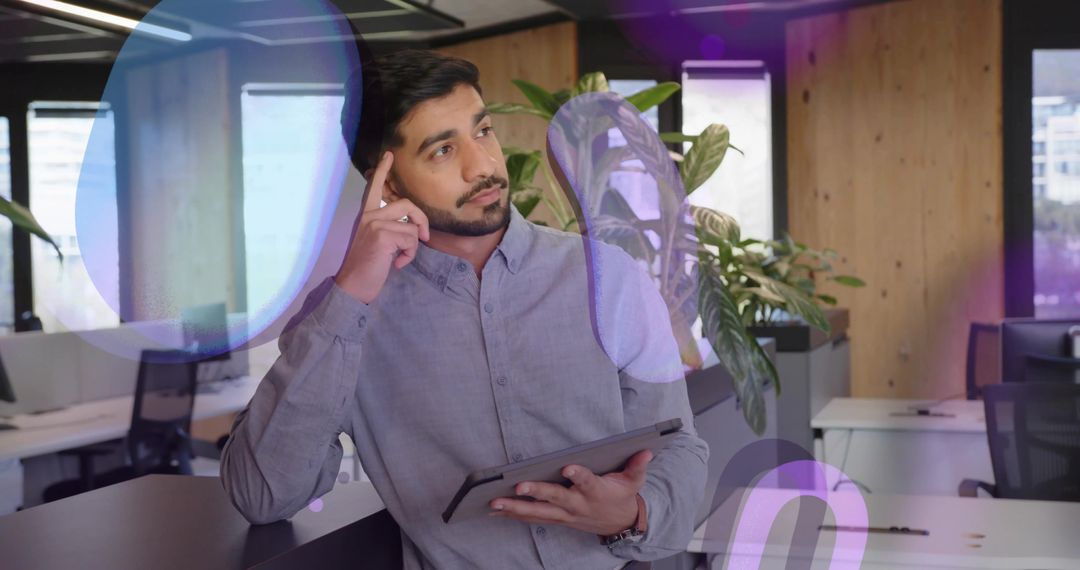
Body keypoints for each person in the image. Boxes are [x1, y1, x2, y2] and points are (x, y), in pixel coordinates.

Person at [220, 48, 708, 570]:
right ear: (386, 182)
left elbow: (679, 451)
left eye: (483, 131)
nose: (484, 165)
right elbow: (261, 495)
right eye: (442, 151)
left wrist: (631, 512)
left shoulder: (610, 278)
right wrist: (350, 297)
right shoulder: (347, 317)